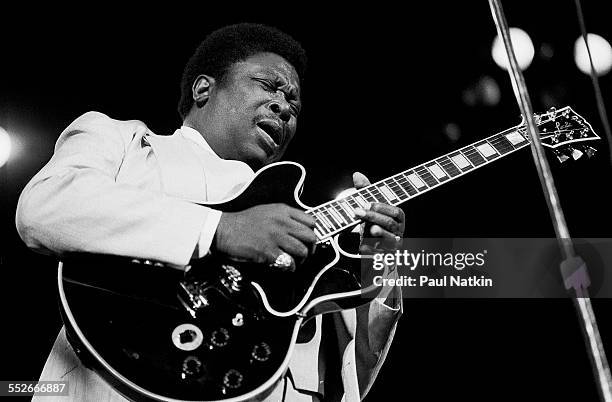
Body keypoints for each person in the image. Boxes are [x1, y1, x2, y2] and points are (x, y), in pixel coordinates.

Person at [16, 23, 404, 401]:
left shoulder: (299, 223)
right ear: (204, 89)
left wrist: (377, 259)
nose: (283, 106)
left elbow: (351, 369)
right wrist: (220, 228)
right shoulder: (123, 140)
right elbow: (46, 206)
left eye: (294, 104)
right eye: (270, 86)